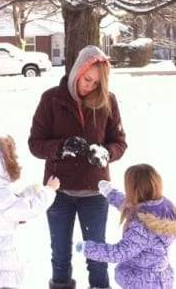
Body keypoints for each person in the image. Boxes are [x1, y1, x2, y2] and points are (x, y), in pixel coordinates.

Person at [28, 45, 127, 289]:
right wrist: (60, 147)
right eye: (87, 79)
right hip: (58, 192)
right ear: (76, 72)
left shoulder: (107, 101)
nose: (90, 86)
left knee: (97, 258)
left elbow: (119, 142)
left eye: (96, 83)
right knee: (60, 257)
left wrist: (107, 153)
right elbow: (35, 144)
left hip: (95, 192)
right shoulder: (51, 99)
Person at [0, 135, 60, 289]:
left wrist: (28, 192)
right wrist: (49, 190)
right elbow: (29, 210)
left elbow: (11, 208)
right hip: (3, 269)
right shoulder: (4, 198)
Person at [76, 163, 176, 289]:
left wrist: (87, 248)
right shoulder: (164, 207)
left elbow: (119, 252)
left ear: (134, 189)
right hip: (160, 277)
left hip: (143, 282)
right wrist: (110, 192)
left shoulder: (140, 227)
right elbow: (131, 207)